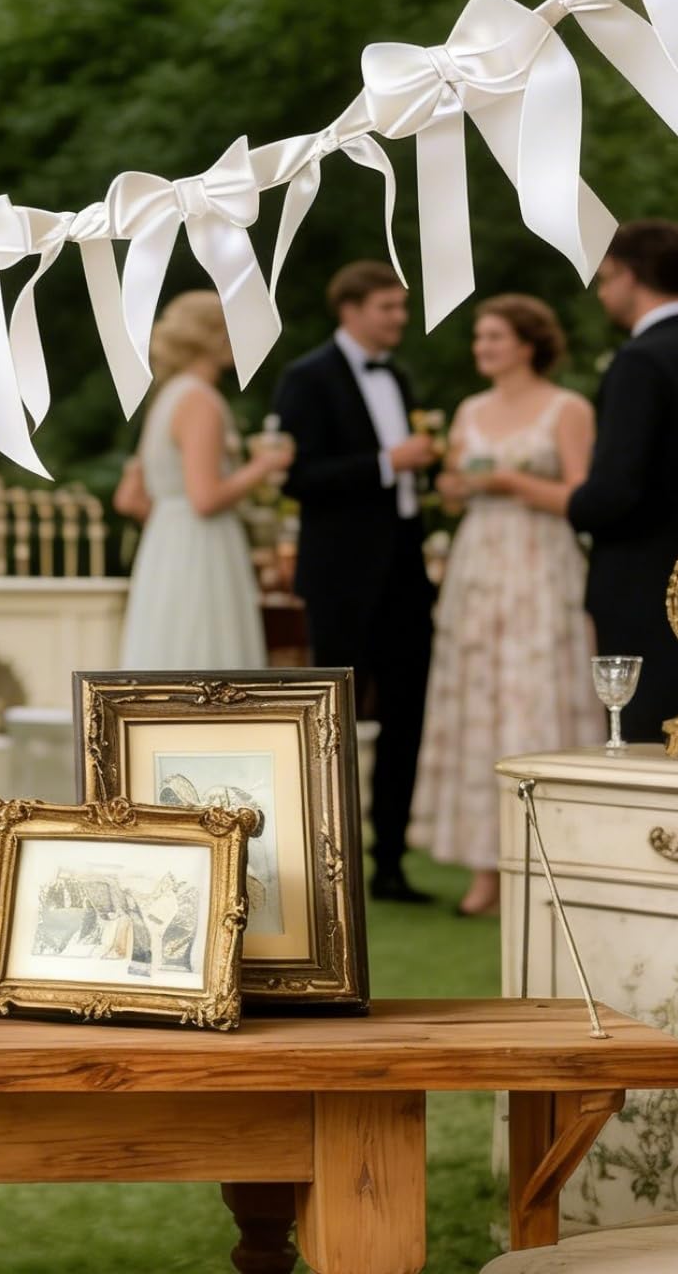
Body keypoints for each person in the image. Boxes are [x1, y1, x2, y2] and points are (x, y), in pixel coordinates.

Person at [412, 296, 602, 916]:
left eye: (494, 337)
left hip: (540, 563)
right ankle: (484, 870)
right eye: (479, 338)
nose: (482, 348)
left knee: (536, 698)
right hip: (479, 567)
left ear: (528, 343)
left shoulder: (567, 408)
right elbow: (456, 491)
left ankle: (552, 861)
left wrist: (512, 483)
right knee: (478, 705)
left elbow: (584, 494)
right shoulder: (470, 409)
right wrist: (455, 485)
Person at [273, 261, 442, 903]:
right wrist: (385, 462)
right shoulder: (306, 377)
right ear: (349, 309)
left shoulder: (397, 376)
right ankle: (325, 864)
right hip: (341, 574)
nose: (398, 318)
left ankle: (390, 862)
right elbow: (299, 478)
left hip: (403, 570)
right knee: (332, 722)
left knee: (406, 716)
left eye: (401, 308)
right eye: (386, 307)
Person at [565, 220, 678, 739]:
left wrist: (576, 503)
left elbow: (615, 492)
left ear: (628, 274)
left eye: (605, 278)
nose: (603, 292)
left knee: (652, 738)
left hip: (648, 587)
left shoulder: (641, 361)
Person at [116, 291, 276, 671]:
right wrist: (263, 466)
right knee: (207, 647)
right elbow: (205, 498)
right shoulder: (200, 401)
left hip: (165, 544)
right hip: (203, 545)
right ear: (214, 336)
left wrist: (170, 523)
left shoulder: (166, 398)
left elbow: (129, 498)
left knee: (171, 645)